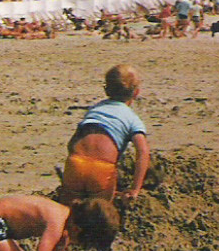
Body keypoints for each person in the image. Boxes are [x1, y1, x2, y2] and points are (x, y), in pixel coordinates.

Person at [58, 64, 150, 204]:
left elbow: (73, 141)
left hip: (76, 162)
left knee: (69, 212)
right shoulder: (132, 119)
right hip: (102, 169)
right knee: (99, 213)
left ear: (106, 90)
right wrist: (134, 189)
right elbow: (143, 152)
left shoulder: (95, 110)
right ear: (136, 93)